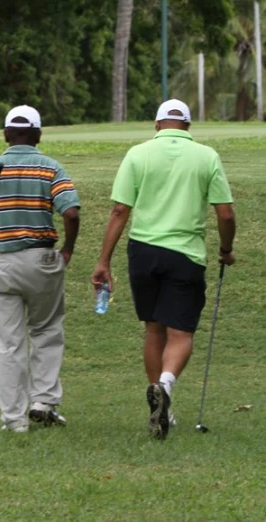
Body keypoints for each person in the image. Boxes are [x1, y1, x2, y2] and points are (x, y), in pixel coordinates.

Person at [91, 99, 235, 440]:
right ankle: (166, 386)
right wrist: (226, 250)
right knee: (181, 334)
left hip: (143, 252)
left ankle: (161, 406)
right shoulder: (206, 156)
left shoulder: (137, 154)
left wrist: (103, 261)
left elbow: (119, 212)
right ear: (187, 127)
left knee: (153, 329)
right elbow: (226, 214)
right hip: (185, 254)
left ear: (157, 125)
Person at [0, 105, 80, 433]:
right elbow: (71, 213)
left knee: (7, 344)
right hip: (41, 260)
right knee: (46, 330)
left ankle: (14, 420)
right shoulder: (51, 168)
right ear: (39, 135)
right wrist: (68, 249)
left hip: (1, 262)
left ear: (5, 134)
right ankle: (43, 401)